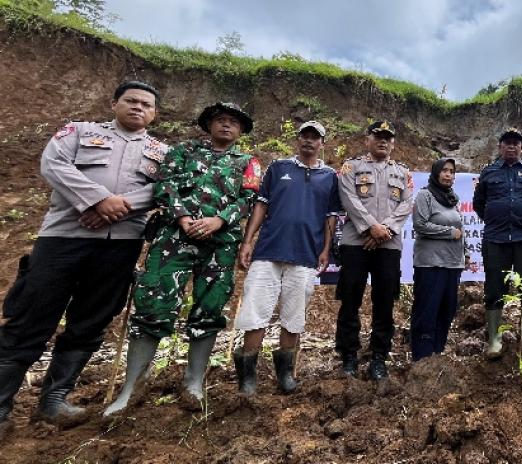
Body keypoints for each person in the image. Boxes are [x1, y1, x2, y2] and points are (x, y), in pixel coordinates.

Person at [0, 81, 165, 431]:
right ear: (113, 103)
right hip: (63, 239)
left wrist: (116, 208)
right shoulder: (78, 130)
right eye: (130, 101)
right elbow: (53, 164)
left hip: (120, 245)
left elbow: (162, 189)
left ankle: (53, 401)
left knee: (91, 320)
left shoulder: (161, 151)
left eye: (145, 105)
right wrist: (94, 199)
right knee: (31, 317)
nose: (137, 108)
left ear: (154, 113)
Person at [104, 102, 260, 416]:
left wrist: (220, 220)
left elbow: (249, 198)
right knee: (153, 305)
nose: (226, 125)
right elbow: (164, 185)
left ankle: (193, 382)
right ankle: (132, 385)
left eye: (233, 122)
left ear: (241, 130)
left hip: (220, 244)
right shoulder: (183, 152)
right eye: (220, 120)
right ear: (209, 125)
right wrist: (183, 217)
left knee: (210, 307)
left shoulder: (248, 162)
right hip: (174, 239)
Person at [232, 121, 341, 395]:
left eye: (315, 137)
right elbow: (261, 205)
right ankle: (248, 378)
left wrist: (326, 249)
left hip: (305, 255)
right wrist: (248, 241)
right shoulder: (278, 168)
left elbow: (331, 217)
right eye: (304, 136)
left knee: (293, 316)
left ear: (322, 144)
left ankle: (285, 375)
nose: (309, 141)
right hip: (268, 251)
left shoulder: (330, 177)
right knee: (255, 312)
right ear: (298, 140)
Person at [334, 120, 414, 380]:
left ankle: (379, 356)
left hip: (388, 245)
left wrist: (384, 230)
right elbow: (349, 198)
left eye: (388, 137)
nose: (383, 140)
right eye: (377, 135)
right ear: (367, 139)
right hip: (355, 243)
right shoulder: (351, 167)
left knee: (384, 302)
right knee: (350, 299)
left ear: (393, 143)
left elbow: (406, 204)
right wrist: (370, 228)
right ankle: (348, 356)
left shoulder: (403, 173)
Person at [471, 128, 522, 359]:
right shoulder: (488, 173)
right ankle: (494, 338)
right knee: (494, 288)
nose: (511, 146)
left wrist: (521, 216)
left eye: (516, 143)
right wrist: (497, 219)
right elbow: (478, 204)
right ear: (500, 147)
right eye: (507, 143)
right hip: (496, 239)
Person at [411, 158, 467, 361]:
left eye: (452, 171)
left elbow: (461, 229)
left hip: (452, 264)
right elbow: (421, 225)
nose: (448, 175)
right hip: (431, 264)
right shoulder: (425, 195)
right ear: (436, 173)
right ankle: (421, 357)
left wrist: (465, 253)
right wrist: (449, 232)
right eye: (444, 170)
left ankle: (437, 353)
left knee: (447, 310)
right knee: (427, 310)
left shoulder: (452, 198)